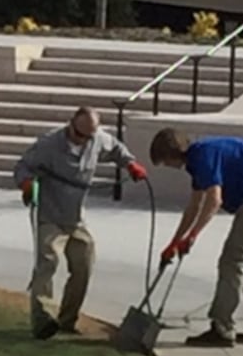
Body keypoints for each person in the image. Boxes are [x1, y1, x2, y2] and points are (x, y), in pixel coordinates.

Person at [13, 106, 148, 340]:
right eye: (80, 135)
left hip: (76, 218)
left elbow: (116, 148)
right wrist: (26, 184)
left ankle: (67, 319)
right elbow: (22, 166)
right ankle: (43, 319)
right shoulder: (49, 144)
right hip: (50, 215)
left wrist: (130, 164)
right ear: (71, 125)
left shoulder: (97, 139)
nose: (85, 140)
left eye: (89, 136)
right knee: (47, 263)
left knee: (84, 263)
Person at [149, 127, 243, 347]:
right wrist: (174, 243)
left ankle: (222, 328)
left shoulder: (203, 157)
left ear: (172, 154)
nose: (168, 166)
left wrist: (192, 236)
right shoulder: (199, 158)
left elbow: (214, 200)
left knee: (232, 262)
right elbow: (194, 206)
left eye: (165, 161)